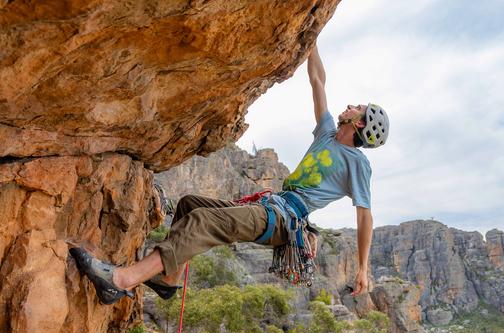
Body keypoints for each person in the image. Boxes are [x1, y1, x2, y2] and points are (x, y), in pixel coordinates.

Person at [70, 44, 389, 304]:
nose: (352, 105)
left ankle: (121, 280)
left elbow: (365, 217)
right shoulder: (327, 133)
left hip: (282, 221)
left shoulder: (356, 163)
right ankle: (168, 278)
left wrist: (362, 268)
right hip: (272, 207)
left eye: (358, 108)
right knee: (190, 205)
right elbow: (317, 80)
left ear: (361, 124)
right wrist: (314, 36)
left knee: (203, 223)